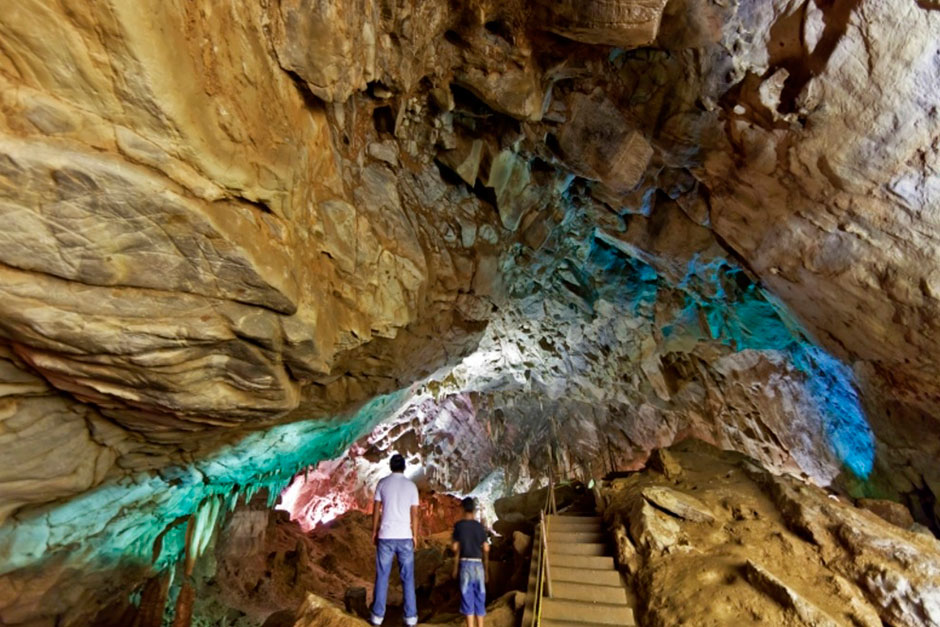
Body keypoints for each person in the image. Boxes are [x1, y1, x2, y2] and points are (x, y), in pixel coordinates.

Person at [370, 453, 420, 627]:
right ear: (404, 467)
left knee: (382, 576)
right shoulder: (411, 486)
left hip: (385, 536)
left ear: (390, 466)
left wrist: (374, 531)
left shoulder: (382, 483)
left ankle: (377, 616)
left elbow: (376, 510)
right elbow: (414, 513)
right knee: (407, 577)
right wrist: (415, 534)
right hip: (405, 536)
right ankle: (411, 617)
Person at [451, 497, 489, 627]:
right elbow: (486, 548)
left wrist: (455, 568)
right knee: (480, 598)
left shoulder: (459, 526)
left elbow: (455, 548)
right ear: (474, 510)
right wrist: (487, 570)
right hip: (478, 565)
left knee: (467, 599)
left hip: (465, 564)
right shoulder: (479, 527)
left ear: (462, 509)